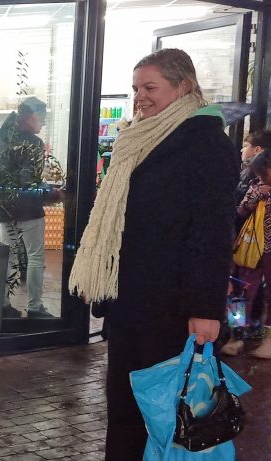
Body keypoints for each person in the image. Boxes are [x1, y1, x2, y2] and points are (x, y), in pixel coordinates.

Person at [67, 49, 238, 461]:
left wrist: (204, 308)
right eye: (135, 89)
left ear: (184, 87)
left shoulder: (206, 143)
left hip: (172, 306)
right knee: (124, 406)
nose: (140, 97)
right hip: (130, 300)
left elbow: (211, 233)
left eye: (150, 87)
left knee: (166, 413)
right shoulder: (139, 139)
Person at [0, 96, 61, 319]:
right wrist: (53, 193)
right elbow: (29, 181)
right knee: (35, 257)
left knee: (8, 257)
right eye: (43, 118)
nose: (43, 123)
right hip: (28, 210)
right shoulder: (34, 144)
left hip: (4, 209)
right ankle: (36, 308)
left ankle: (4, 305)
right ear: (32, 116)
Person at [229, 150, 271, 358]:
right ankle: (236, 336)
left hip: (267, 250)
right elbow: (241, 211)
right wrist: (254, 197)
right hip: (251, 248)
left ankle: (269, 340)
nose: (263, 175)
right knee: (242, 291)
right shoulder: (255, 185)